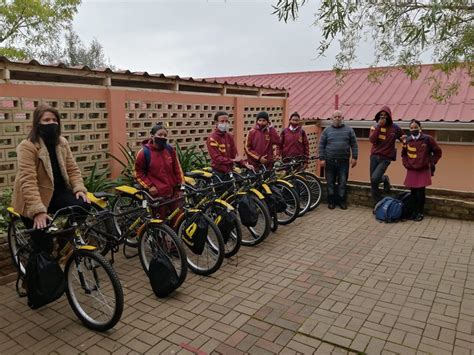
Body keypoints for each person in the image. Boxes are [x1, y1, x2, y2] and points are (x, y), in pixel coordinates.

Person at [12, 104, 90, 254]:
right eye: (46, 120)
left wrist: (79, 188)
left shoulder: (62, 143)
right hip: (32, 200)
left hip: (56, 193)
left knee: (83, 205)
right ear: (37, 123)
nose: (51, 123)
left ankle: (64, 238)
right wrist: (38, 211)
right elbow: (28, 181)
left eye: (54, 120)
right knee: (44, 246)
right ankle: (36, 272)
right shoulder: (27, 146)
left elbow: (72, 169)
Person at [134, 122, 183, 218]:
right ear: (152, 136)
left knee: (177, 218)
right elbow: (137, 173)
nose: (163, 137)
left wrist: (181, 186)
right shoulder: (144, 153)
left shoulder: (169, 150)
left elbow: (177, 169)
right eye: (160, 135)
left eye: (165, 135)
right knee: (160, 220)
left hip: (173, 192)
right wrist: (149, 186)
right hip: (157, 194)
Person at [401, 119, 442, 221]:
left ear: (420, 128)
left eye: (415, 127)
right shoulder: (407, 141)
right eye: (411, 128)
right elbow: (403, 154)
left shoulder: (428, 139)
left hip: (423, 169)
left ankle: (420, 212)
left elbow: (438, 152)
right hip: (411, 170)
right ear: (409, 129)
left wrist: (431, 162)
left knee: (420, 192)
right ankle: (413, 212)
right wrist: (406, 164)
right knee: (413, 192)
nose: (413, 129)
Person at [318, 110, 358, 210]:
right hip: (329, 161)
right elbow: (321, 146)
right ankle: (331, 202)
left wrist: (354, 157)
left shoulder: (349, 130)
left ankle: (341, 201)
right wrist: (322, 159)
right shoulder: (326, 131)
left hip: (343, 162)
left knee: (342, 183)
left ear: (342, 118)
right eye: (335, 117)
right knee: (330, 183)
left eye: (339, 117)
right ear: (332, 118)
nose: (337, 118)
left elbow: (354, 145)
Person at [369, 106, 403, 203]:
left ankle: (379, 201)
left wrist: (405, 140)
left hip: (386, 158)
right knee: (373, 181)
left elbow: (403, 137)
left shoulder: (395, 128)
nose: (383, 117)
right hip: (374, 156)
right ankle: (384, 180)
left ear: (389, 116)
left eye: (385, 116)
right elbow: (372, 140)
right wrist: (379, 126)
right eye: (381, 116)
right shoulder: (374, 127)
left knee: (375, 178)